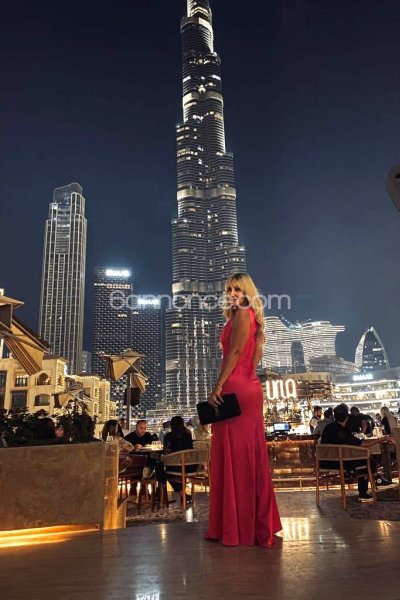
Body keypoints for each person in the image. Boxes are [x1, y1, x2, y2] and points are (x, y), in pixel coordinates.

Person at [206, 272, 281, 547]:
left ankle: (237, 526)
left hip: (235, 387)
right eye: (229, 290)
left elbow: (235, 352)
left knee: (234, 454)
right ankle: (252, 525)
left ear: (247, 291)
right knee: (249, 454)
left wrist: (218, 385)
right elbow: (254, 357)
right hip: (249, 386)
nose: (233, 294)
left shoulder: (241, 314)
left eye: (237, 289)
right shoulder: (252, 317)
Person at [321, 403, 392, 500]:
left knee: (363, 461)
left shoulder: (328, 428)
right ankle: (372, 483)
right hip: (339, 463)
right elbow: (361, 443)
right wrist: (382, 438)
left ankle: (376, 478)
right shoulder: (342, 431)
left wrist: (363, 431)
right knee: (366, 461)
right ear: (347, 417)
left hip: (324, 462)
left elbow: (352, 441)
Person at [162, 415, 195, 504]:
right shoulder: (188, 434)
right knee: (180, 473)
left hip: (175, 466)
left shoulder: (169, 436)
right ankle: (183, 495)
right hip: (189, 466)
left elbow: (166, 452)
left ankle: (181, 494)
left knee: (164, 472)